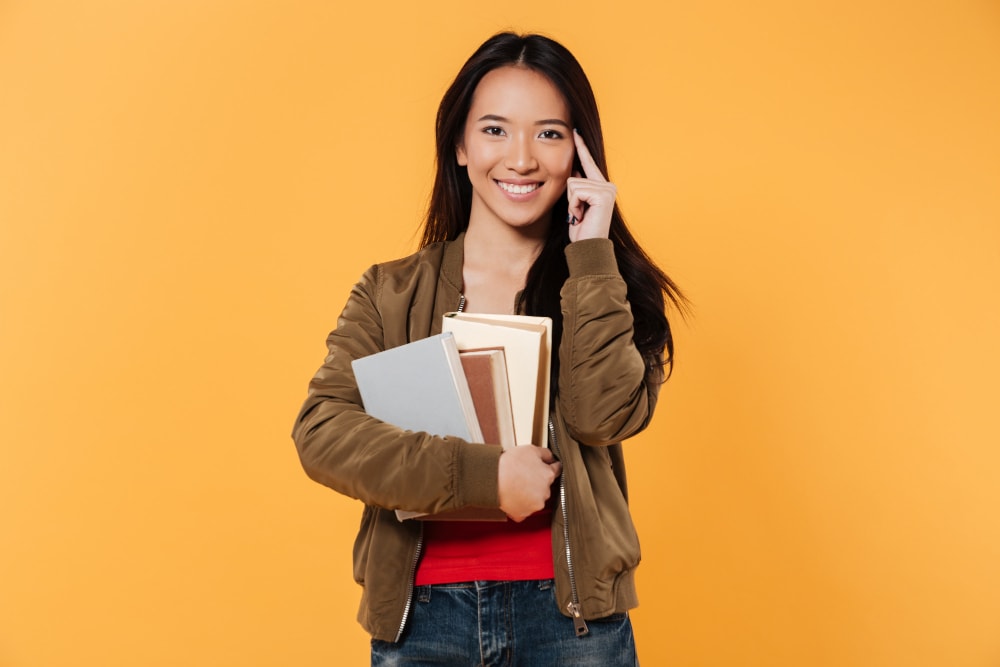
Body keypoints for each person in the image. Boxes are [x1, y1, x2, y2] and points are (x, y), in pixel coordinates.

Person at [292, 31, 684, 666]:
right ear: (461, 145)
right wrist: (484, 478)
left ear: (582, 154)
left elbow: (600, 416)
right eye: (497, 130)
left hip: (571, 624)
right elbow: (323, 431)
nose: (522, 159)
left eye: (550, 134)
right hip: (423, 621)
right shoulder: (392, 292)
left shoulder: (605, 284)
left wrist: (591, 258)